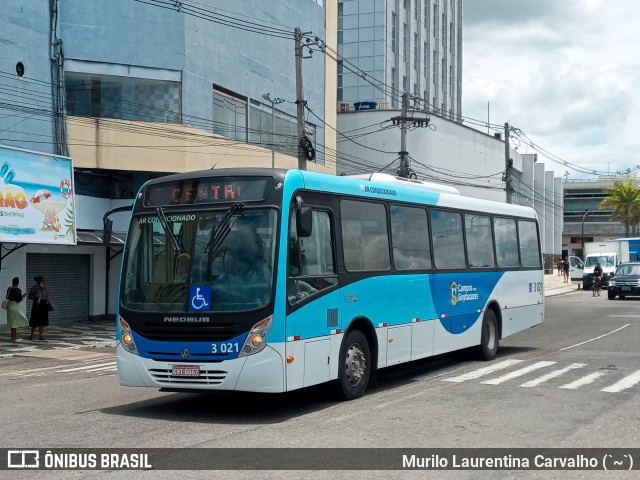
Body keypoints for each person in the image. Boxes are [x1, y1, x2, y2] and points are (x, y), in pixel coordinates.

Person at [28, 275, 52, 341]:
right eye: (43, 281)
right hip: (36, 306)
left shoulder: (44, 288)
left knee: (42, 321)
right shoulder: (34, 288)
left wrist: (50, 303)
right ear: (40, 281)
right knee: (34, 321)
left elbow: (47, 296)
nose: (44, 282)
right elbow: (29, 297)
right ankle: (31, 335)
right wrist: (36, 296)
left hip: (43, 306)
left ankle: (41, 335)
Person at [6, 277, 28, 342]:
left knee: (13, 322)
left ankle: (14, 336)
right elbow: (19, 300)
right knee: (15, 322)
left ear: (12, 282)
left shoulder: (9, 288)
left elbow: (7, 297)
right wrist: (23, 296)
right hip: (15, 306)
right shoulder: (18, 290)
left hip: (10, 305)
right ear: (18, 283)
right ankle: (14, 338)